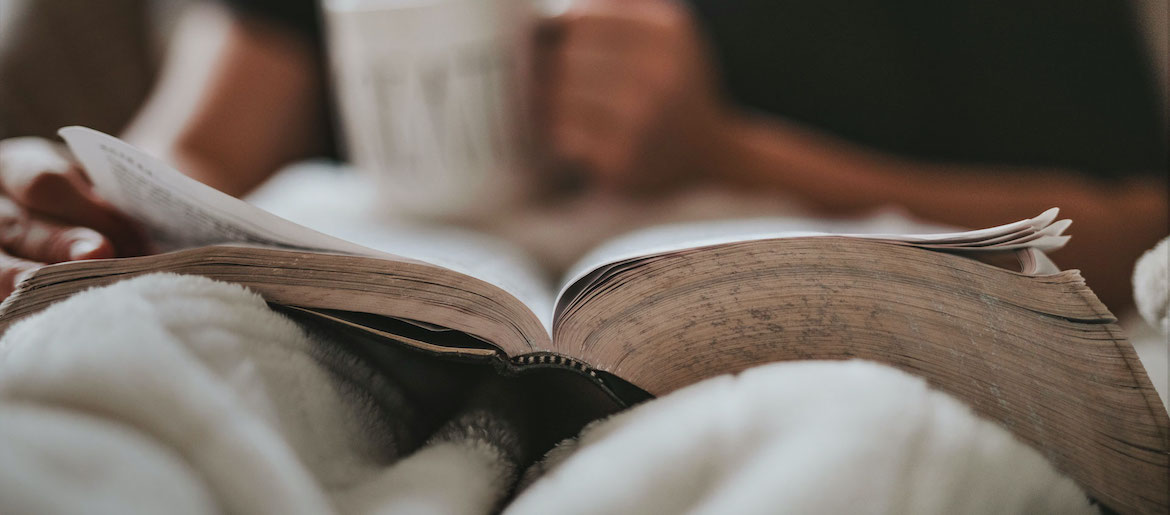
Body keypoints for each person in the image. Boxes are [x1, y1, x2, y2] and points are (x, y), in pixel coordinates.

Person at [0, 0, 1164, 309]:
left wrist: (728, 148)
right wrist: (63, 201)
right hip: (385, 329)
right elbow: (187, 150)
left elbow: (1134, 225)